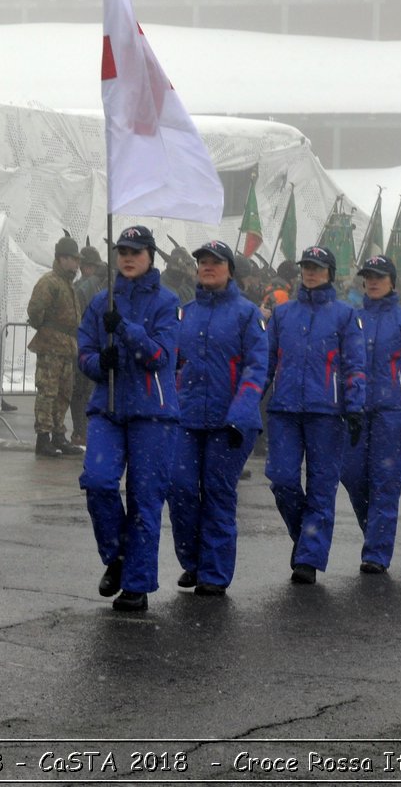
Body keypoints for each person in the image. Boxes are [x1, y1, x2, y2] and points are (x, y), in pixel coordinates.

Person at [75, 225, 180, 611]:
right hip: (109, 407)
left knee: (144, 499)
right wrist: (97, 363)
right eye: (122, 251)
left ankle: (137, 584)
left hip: (153, 412)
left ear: (151, 255)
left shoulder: (168, 302)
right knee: (99, 482)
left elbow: (160, 356)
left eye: (136, 251)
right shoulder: (101, 299)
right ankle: (117, 557)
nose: (128, 258)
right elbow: (83, 350)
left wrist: (126, 330)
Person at [167, 240, 267, 595]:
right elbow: (171, 363)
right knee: (178, 487)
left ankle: (214, 573)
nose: (208, 267)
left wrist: (240, 415)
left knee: (217, 493)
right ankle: (193, 561)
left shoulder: (247, 314)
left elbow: (256, 368)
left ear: (230, 270)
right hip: (187, 417)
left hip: (231, 422)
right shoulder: (185, 313)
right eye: (203, 262)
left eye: (216, 262)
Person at [262, 244, 367, 584]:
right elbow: (265, 363)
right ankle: (305, 539)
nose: (310, 272)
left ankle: (308, 557)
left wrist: (354, 407)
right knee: (282, 479)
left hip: (327, 412)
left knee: (322, 486)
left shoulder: (345, 315)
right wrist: (250, 402)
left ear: (330, 273)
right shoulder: (282, 314)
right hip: (285, 410)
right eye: (307, 266)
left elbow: (354, 366)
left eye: (318, 267)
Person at [339, 254, 401, 574]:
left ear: (392, 281)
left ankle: (377, 553)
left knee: (385, 481)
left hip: (393, 412)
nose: (374, 281)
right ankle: (376, 534)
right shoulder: (353, 318)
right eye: (369, 276)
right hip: (355, 410)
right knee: (351, 476)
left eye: (380, 276)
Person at [26, 235, 82, 458]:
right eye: (72, 259)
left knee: (63, 394)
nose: (76, 264)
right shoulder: (49, 282)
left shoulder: (67, 285)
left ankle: (59, 435)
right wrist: (47, 330)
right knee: (48, 392)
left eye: (77, 260)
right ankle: (44, 438)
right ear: (61, 259)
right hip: (51, 347)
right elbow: (35, 310)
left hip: (67, 347)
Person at [68, 244, 105, 445]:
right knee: (85, 392)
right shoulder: (93, 285)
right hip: (90, 344)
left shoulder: (85, 286)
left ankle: (80, 432)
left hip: (83, 344)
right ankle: (83, 432)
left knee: (81, 392)